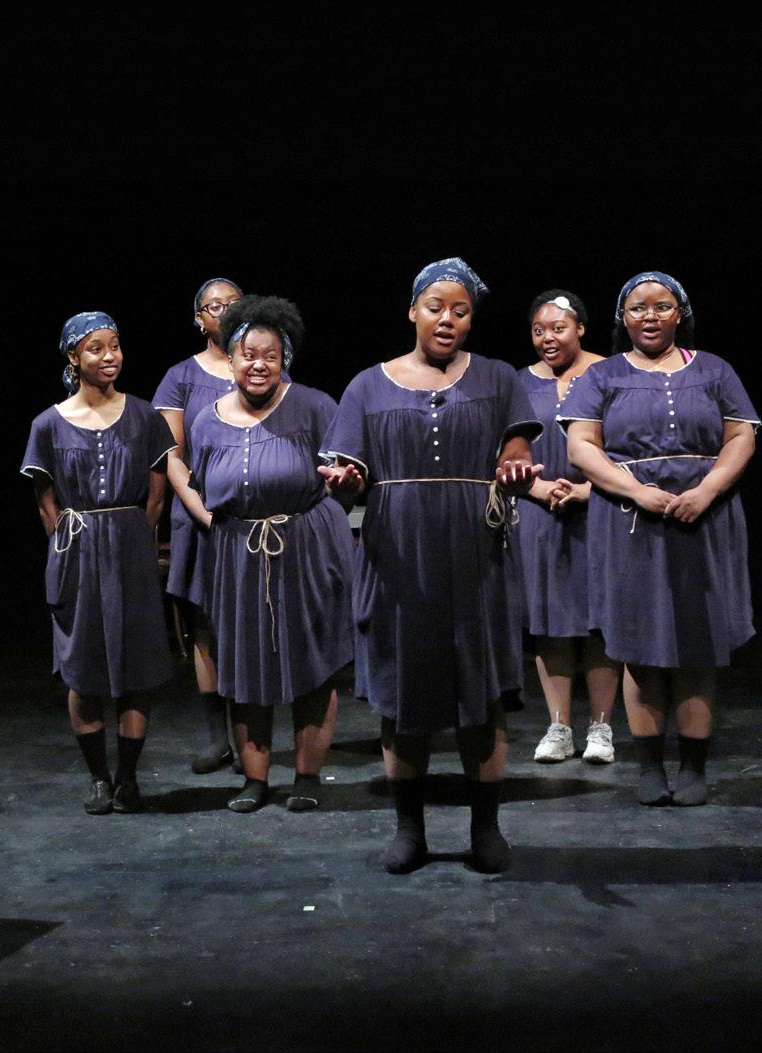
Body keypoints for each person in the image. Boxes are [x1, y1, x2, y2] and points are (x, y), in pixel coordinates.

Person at [322, 258, 541, 874]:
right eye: (436, 307)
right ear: (412, 310)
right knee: (403, 696)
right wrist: (348, 480)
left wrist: (514, 462)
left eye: (461, 310)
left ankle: (486, 828)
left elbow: (518, 442)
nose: (448, 319)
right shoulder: (368, 385)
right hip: (398, 554)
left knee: (482, 694)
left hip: (476, 553)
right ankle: (409, 830)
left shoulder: (497, 377)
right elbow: (349, 470)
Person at [560, 272, 758, 806]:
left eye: (662, 306)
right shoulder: (602, 375)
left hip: (704, 518)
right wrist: (636, 490)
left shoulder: (714, 370)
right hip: (631, 521)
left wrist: (707, 489)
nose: (650, 316)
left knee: (698, 646)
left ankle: (693, 766)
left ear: (680, 314)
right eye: (638, 308)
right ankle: (649, 766)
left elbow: (741, 435)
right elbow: (582, 446)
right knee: (639, 647)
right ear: (622, 318)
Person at [176, 296, 353, 813]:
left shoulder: (315, 406)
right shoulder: (206, 421)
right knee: (244, 665)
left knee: (312, 665)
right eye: (248, 355)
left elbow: (344, 481)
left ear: (284, 360)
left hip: (305, 547)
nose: (258, 365)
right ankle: (254, 780)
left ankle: (307, 777)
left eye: (270, 356)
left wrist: (346, 486)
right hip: (238, 554)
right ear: (230, 360)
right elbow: (201, 485)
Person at [22, 311, 176, 815]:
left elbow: (156, 497)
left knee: (137, 667)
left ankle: (128, 777)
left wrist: (132, 539)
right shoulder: (48, 424)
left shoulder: (145, 416)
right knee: (83, 668)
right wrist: (71, 550)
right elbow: (46, 504)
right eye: (96, 348)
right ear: (74, 356)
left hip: (130, 548)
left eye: (115, 346)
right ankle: (98, 779)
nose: (109, 356)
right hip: (78, 552)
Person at [517, 290, 621, 764]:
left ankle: (601, 728)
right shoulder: (519, 384)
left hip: (603, 511)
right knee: (551, 624)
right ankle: (558, 727)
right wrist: (538, 489)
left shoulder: (612, 374)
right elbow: (502, 451)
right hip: (540, 515)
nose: (548, 338)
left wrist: (589, 490)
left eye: (558, 328)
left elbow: (630, 446)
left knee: (600, 623)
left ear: (580, 328)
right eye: (539, 330)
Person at [154, 278, 244, 774]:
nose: (225, 312)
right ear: (199, 318)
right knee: (205, 626)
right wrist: (203, 511)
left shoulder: (262, 363)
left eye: (233, 304)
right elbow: (172, 456)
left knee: (250, 623)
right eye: (215, 306)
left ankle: (253, 738)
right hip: (199, 515)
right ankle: (218, 739)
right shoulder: (181, 377)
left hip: (250, 516)